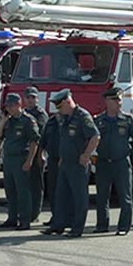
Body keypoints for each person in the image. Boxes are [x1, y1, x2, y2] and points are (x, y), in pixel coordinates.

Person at [41, 89, 99, 238]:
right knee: (61, 196)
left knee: (79, 197)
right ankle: (59, 225)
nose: (59, 110)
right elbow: (66, 140)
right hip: (65, 162)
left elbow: (95, 136)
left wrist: (86, 155)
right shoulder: (66, 118)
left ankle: (77, 228)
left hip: (77, 164)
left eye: (60, 107)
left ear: (68, 102)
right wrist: (61, 156)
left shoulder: (82, 116)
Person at [93, 87, 133, 235]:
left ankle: (123, 227)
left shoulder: (127, 120)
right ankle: (102, 225)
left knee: (125, 196)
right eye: (115, 99)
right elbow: (90, 138)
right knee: (102, 196)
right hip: (103, 162)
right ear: (107, 102)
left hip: (121, 162)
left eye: (119, 99)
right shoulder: (99, 120)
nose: (118, 102)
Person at [0, 93, 39, 230]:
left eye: (12, 106)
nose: (9, 109)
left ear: (19, 105)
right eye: (7, 106)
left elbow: (34, 142)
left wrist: (29, 161)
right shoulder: (9, 121)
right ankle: (12, 218)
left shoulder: (28, 120)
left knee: (23, 191)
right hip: (9, 159)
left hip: (21, 158)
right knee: (10, 190)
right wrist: (2, 121)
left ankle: (24, 220)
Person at [22, 87, 49, 223]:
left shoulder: (40, 114)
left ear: (37, 99)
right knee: (26, 184)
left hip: (37, 153)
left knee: (36, 185)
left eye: (33, 97)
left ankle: (35, 213)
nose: (30, 100)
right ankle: (27, 211)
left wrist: (40, 155)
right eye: (28, 97)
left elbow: (41, 137)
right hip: (25, 153)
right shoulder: (23, 113)